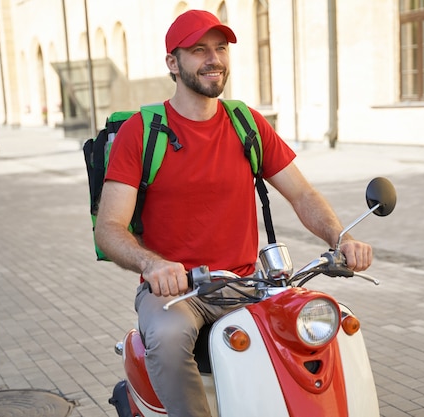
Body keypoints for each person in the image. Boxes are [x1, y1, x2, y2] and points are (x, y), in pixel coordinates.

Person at [95, 9, 373, 417]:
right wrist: (152, 265)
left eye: (220, 48)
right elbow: (109, 228)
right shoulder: (143, 132)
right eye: (198, 50)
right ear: (173, 63)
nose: (214, 59)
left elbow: (302, 195)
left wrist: (340, 238)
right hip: (178, 292)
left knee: (317, 329)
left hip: (248, 284)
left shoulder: (247, 123)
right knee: (169, 340)